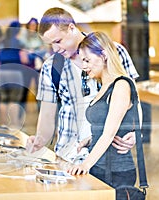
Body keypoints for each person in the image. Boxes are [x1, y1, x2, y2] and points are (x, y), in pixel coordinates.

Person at [26, 7, 139, 162]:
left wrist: (136, 133)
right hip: (68, 157)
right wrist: (38, 141)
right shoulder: (50, 67)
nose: (55, 49)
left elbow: (134, 99)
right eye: (50, 44)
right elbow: (46, 115)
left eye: (58, 41)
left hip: (110, 159)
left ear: (72, 28)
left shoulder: (115, 52)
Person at [67, 32, 140, 189]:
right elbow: (105, 127)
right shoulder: (103, 86)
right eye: (82, 61)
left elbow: (110, 133)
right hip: (99, 167)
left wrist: (85, 165)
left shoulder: (121, 84)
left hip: (116, 172)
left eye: (87, 60)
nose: (84, 66)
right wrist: (90, 140)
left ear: (104, 55)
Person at [0, 21, 25, 128]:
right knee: (14, 100)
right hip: (15, 72)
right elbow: (24, 59)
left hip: (2, 72)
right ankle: (14, 124)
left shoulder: (2, 41)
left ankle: (4, 124)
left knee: (3, 99)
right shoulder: (19, 42)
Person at [18, 18, 49, 115]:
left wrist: (32, 51)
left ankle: (40, 111)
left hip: (37, 67)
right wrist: (35, 51)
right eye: (31, 25)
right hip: (26, 68)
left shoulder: (39, 37)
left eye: (34, 25)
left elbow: (44, 50)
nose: (33, 26)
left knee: (39, 90)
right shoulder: (24, 36)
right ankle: (21, 112)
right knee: (24, 89)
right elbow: (23, 52)